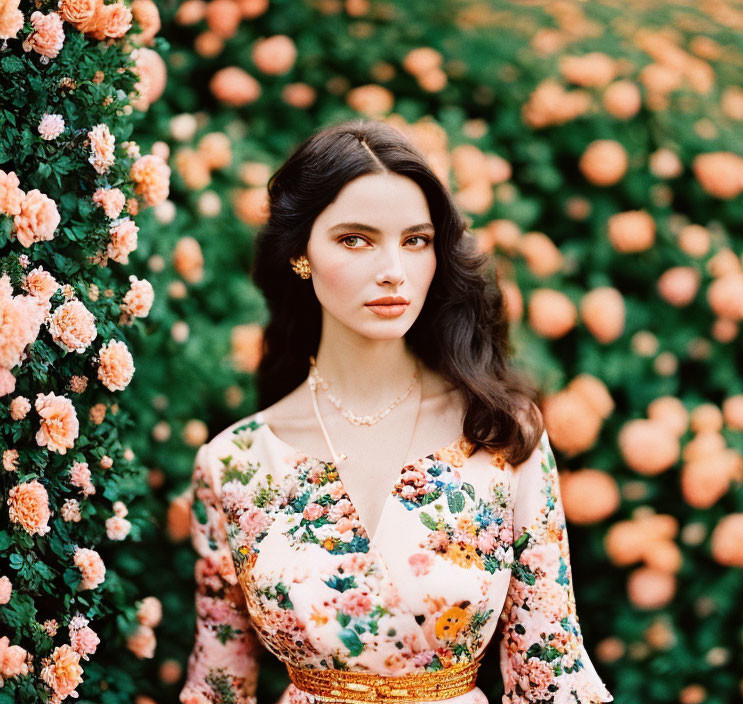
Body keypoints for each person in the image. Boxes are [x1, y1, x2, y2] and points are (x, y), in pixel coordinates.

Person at [179, 118, 614, 704]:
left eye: (415, 240)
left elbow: (551, 671)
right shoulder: (233, 465)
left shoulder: (500, 436)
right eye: (355, 239)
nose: (393, 270)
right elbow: (218, 686)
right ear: (301, 254)